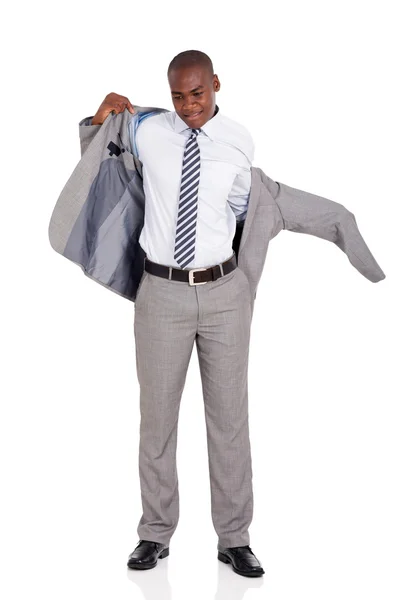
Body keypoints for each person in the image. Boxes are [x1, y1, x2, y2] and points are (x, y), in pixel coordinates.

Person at [90, 49, 265, 578]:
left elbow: (241, 211)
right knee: (158, 420)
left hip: (222, 295)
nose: (188, 106)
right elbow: (101, 156)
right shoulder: (148, 132)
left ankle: (234, 538)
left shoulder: (239, 141)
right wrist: (100, 118)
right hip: (161, 293)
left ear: (215, 84)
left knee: (229, 421)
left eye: (197, 93)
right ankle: (154, 533)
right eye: (177, 96)